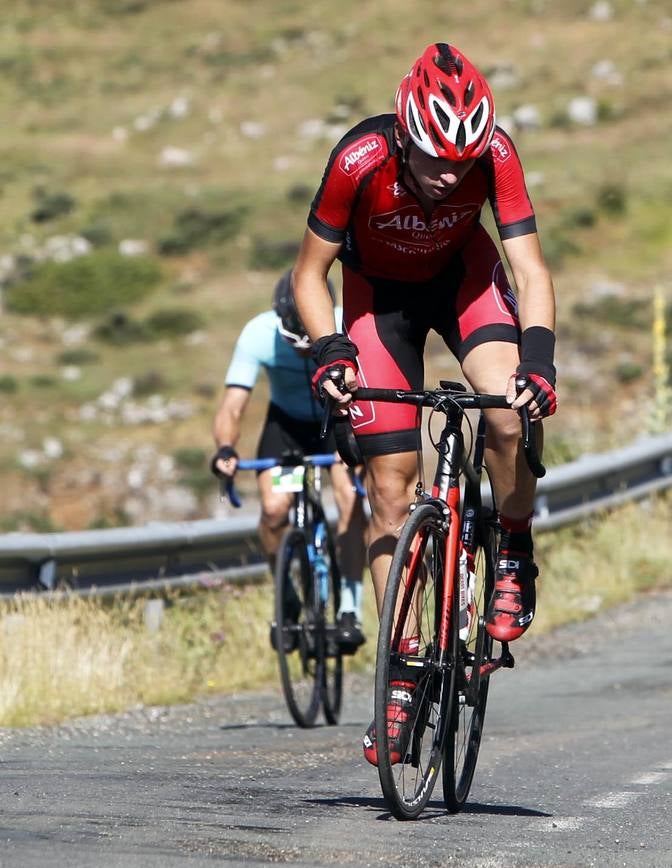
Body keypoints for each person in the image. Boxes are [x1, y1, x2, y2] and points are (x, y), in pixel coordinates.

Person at [292, 43, 558, 767]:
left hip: (464, 284)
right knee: (388, 487)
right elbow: (309, 276)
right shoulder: (360, 159)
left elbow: (528, 268)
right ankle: (403, 670)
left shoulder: (493, 154)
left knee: (507, 409)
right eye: (436, 159)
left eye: (463, 161)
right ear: (405, 133)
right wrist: (329, 351)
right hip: (379, 303)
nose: (450, 175)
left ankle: (514, 546)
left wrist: (538, 357)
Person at [211, 270, 368, 651]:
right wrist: (226, 449)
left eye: (307, 344)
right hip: (287, 428)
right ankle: (286, 597)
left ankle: (350, 608)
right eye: (292, 342)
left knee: (350, 499)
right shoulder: (258, 334)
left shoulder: (346, 324)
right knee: (274, 510)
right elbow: (233, 406)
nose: (300, 350)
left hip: (338, 421)